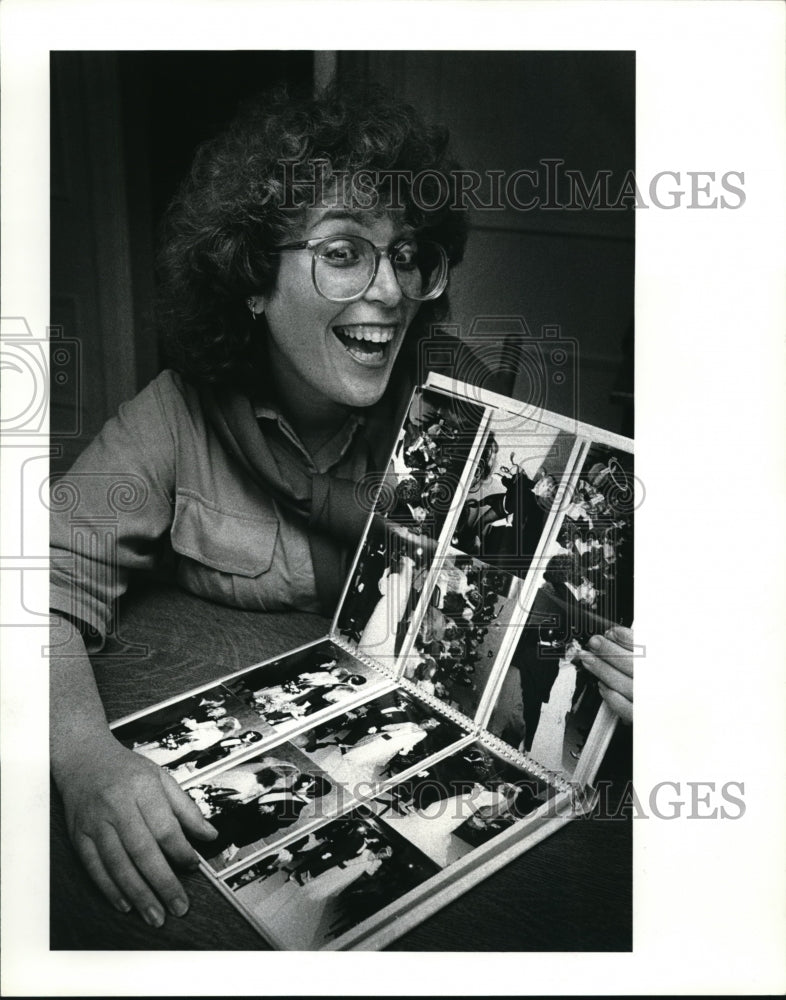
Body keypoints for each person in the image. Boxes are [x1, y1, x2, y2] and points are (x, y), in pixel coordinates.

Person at [49, 84, 634, 928]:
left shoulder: (459, 401)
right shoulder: (174, 416)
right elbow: (37, 583)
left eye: (406, 255)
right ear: (252, 280)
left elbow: (566, 588)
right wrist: (82, 758)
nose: (391, 290)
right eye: (344, 252)